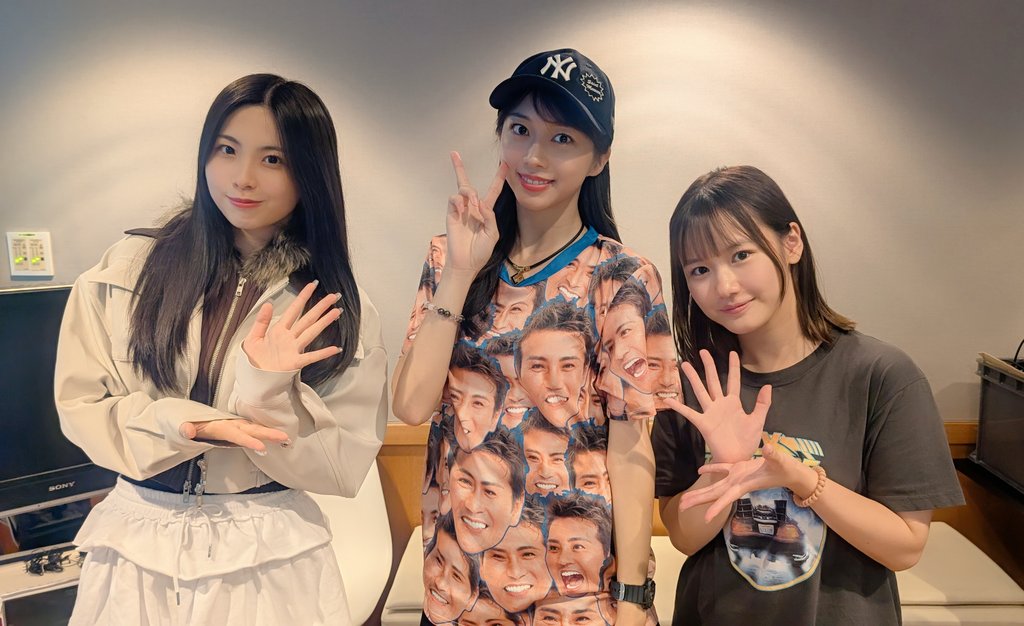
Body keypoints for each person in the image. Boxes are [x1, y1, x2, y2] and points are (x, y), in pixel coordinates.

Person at [54, 74, 387, 625]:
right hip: (136, 540)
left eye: (273, 159)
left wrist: (266, 392)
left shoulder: (331, 307)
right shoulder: (127, 270)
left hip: (268, 551)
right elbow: (81, 407)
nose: (243, 178)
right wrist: (182, 424)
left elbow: (340, 466)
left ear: (309, 172)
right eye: (227, 150)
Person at [393, 48, 665, 625]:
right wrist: (461, 272)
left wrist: (634, 597)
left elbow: (631, 447)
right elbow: (412, 406)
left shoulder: (622, 278)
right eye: (520, 130)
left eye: (562, 138)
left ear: (600, 158)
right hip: (459, 592)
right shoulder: (448, 258)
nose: (535, 156)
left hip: (575, 602)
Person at [651, 165, 964, 624]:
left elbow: (905, 546)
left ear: (791, 242)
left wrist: (803, 480)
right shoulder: (692, 384)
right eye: (700, 269)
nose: (724, 286)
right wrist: (726, 470)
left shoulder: (881, 375)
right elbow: (684, 537)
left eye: (741, 255)